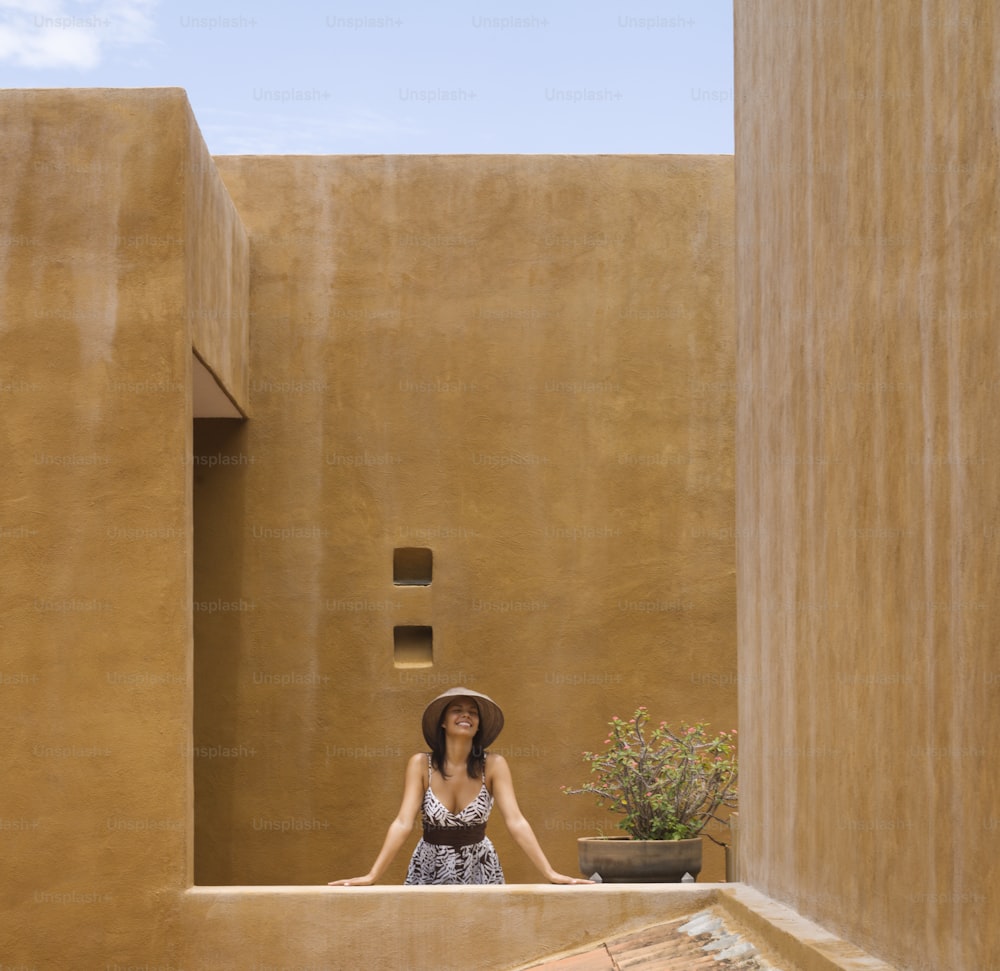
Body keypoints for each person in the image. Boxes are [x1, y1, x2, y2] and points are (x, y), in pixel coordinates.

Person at [328, 686, 592, 886]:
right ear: (442, 721)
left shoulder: (494, 765)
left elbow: (516, 821)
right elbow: (402, 822)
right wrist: (372, 875)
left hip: (480, 865)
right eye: (457, 710)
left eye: (473, 712)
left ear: (478, 726)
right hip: (428, 866)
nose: (466, 714)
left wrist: (550, 873)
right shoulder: (421, 764)